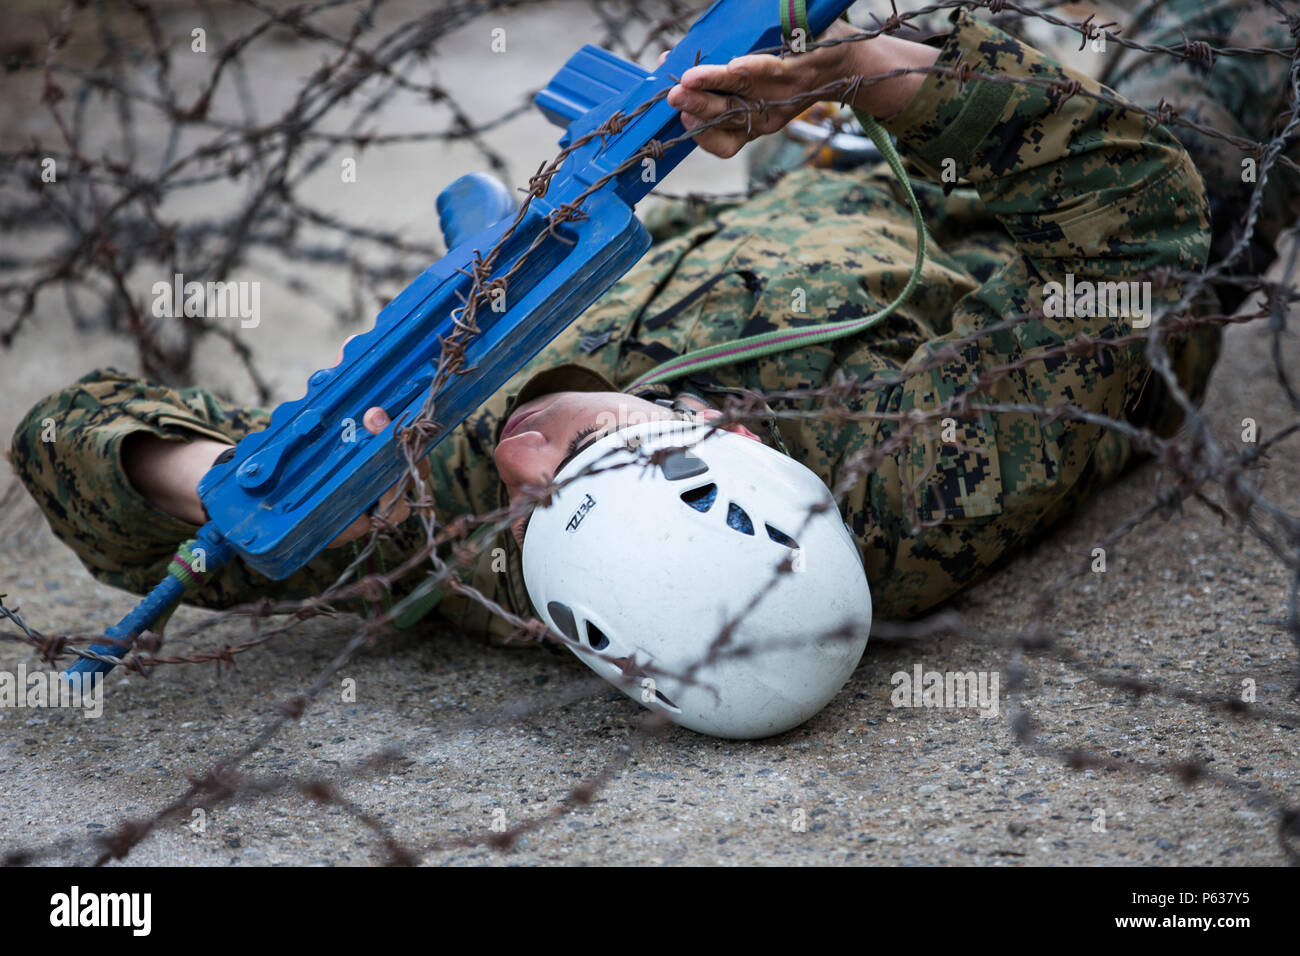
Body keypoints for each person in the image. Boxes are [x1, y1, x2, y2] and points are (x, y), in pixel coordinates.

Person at [9, 2, 1298, 735]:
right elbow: (1132, 233)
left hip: (802, 193)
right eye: (596, 451)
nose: (520, 451)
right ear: (731, 448)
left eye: (538, 495)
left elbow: (68, 435)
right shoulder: (928, 478)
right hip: (1014, 207)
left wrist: (258, 477)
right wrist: (860, 75)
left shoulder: (455, 527)